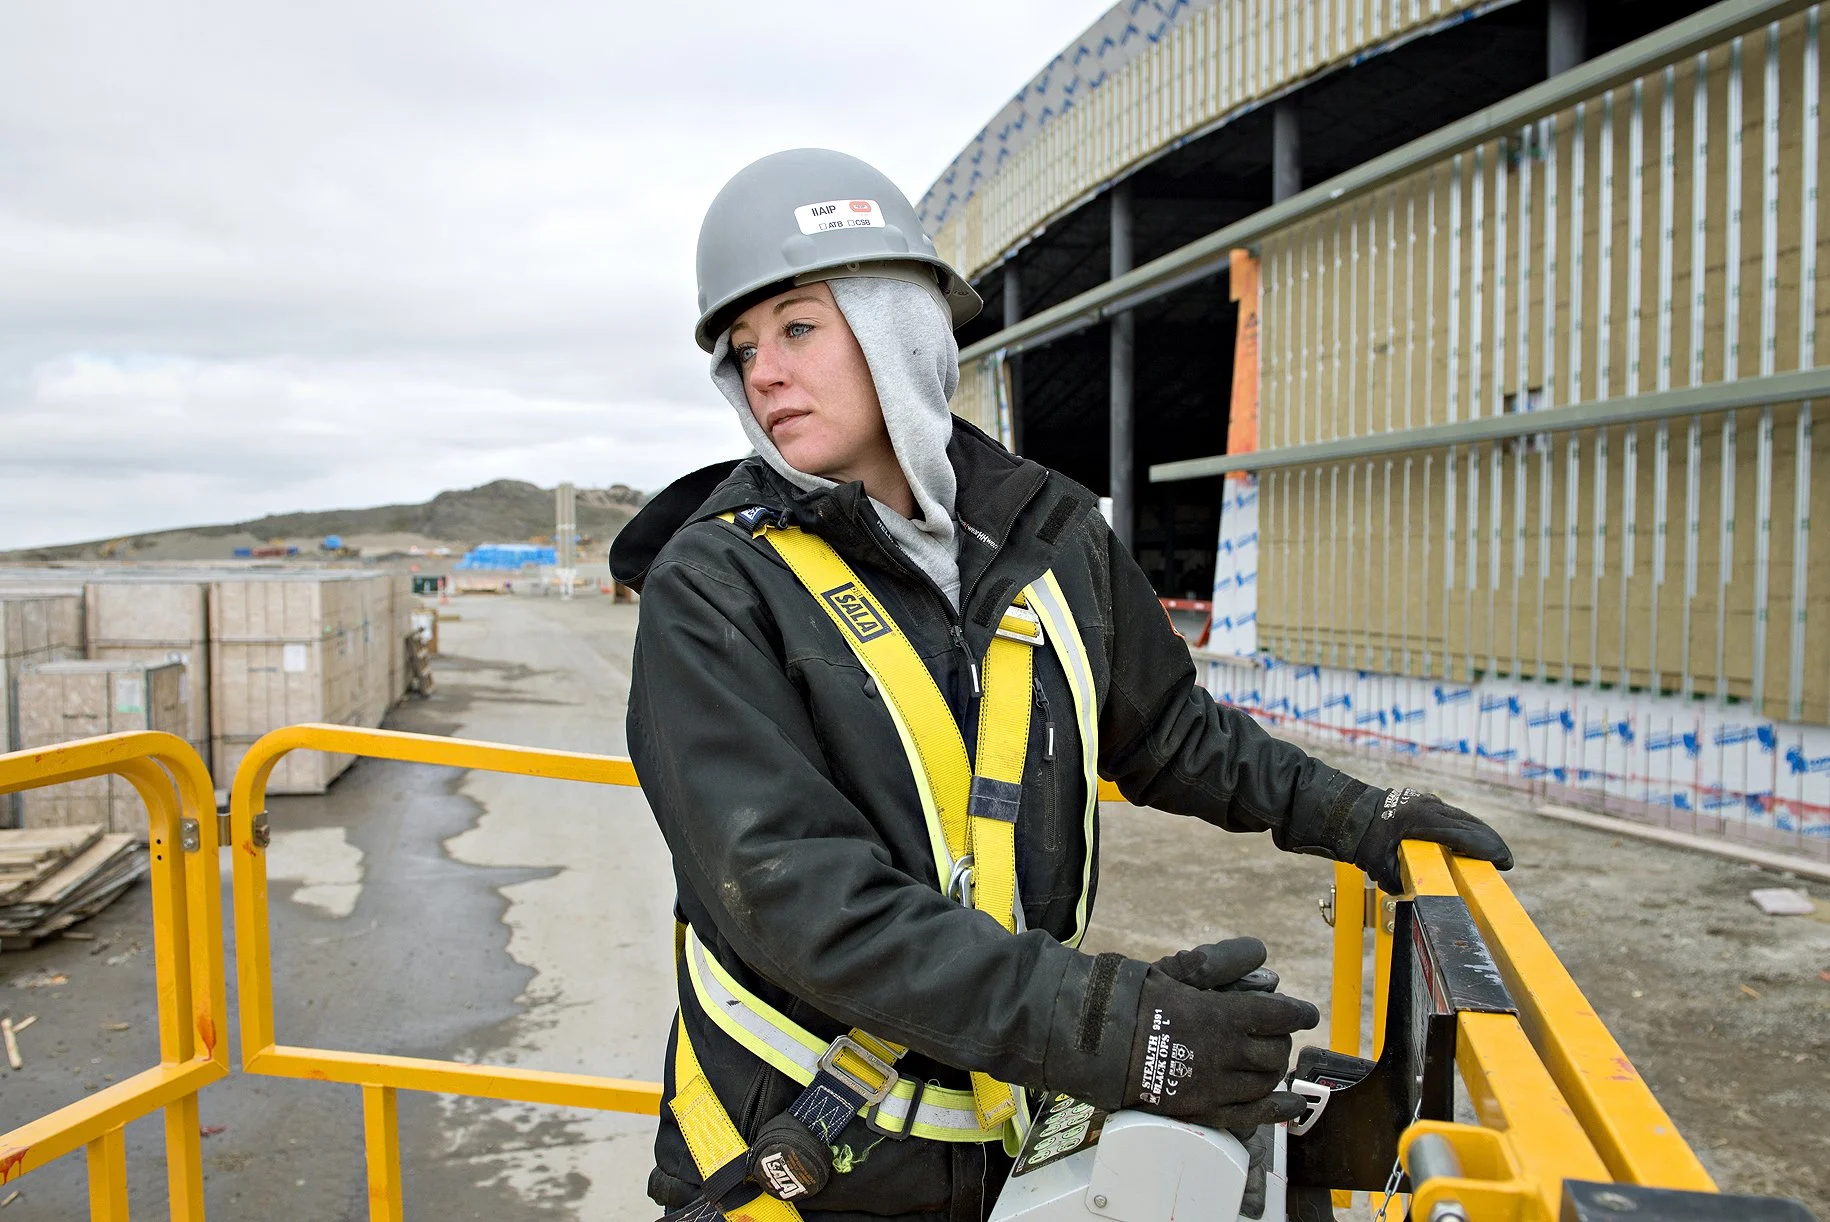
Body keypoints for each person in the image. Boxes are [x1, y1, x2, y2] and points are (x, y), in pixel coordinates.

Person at [610, 148, 1512, 1222]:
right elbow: (799, 899)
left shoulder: (1048, 536)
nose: (763, 372)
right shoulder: (715, 585)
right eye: (743, 348)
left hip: (997, 1127)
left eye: (798, 327)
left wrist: (1360, 814)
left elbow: (1172, 731)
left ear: (899, 325)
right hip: (799, 1163)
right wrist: (1115, 1027)